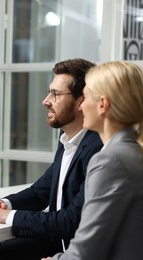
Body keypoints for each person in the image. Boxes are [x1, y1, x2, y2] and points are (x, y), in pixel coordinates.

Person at [0, 59, 103, 260]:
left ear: (81, 100)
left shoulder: (97, 148)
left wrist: (7, 217)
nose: (46, 101)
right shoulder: (68, 140)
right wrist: (4, 204)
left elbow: (71, 221)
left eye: (55, 94)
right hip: (56, 247)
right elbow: (41, 192)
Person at [42, 61, 143, 260]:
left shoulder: (111, 161)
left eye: (85, 97)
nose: (81, 105)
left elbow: (84, 254)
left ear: (103, 105)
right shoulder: (132, 151)